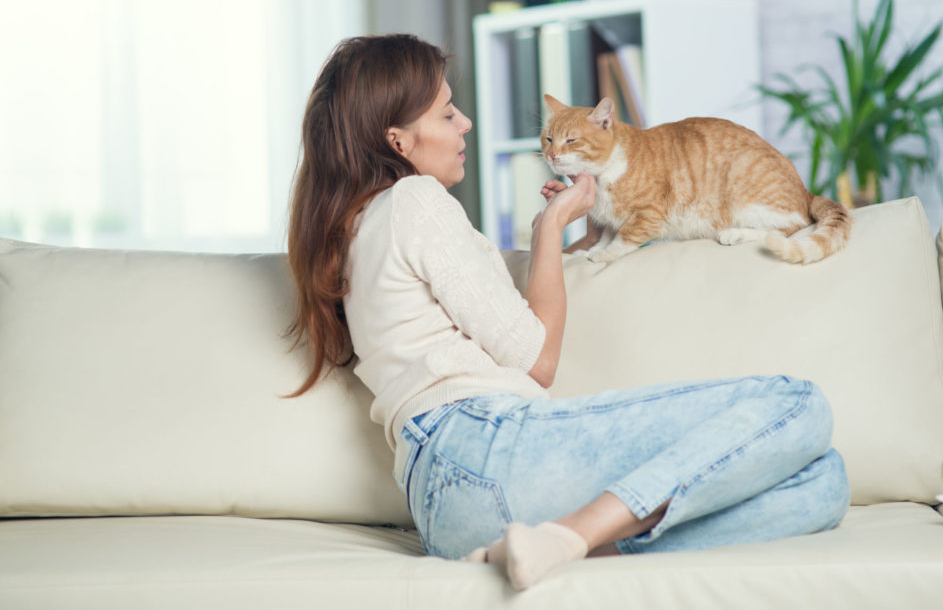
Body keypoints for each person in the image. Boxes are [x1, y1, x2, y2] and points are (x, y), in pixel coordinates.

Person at [286, 33, 850, 591]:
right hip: (483, 446)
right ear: (398, 140)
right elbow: (537, 359)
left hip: (446, 507)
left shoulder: (356, 225)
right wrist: (553, 225)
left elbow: (492, 317)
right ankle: (570, 538)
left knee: (823, 485)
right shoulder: (417, 200)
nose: (466, 124)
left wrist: (560, 234)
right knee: (798, 402)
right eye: (446, 113)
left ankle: (560, 547)